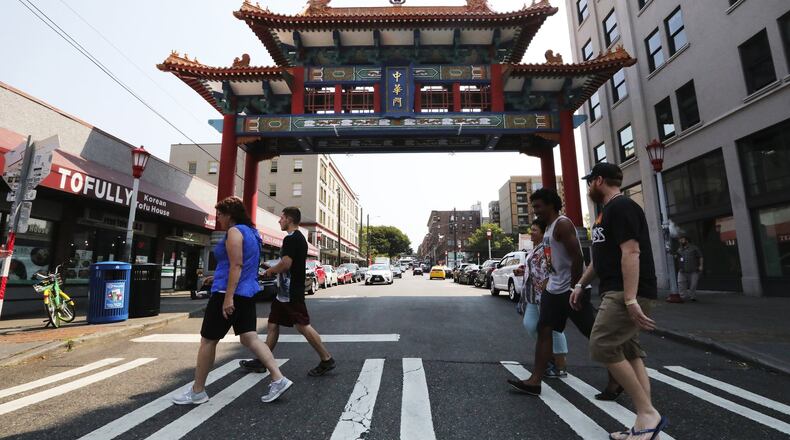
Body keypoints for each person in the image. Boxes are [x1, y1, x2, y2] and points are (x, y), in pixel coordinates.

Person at [575, 163, 667, 440]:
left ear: (599, 180)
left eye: (590, 181)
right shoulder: (606, 214)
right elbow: (599, 259)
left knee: (601, 344)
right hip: (616, 290)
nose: (588, 187)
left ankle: (648, 414)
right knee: (628, 351)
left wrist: (629, 299)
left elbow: (632, 252)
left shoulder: (622, 207)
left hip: (624, 292)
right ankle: (644, 422)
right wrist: (580, 284)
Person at [173, 196, 292, 405]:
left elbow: (236, 265)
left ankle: (197, 391)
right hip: (246, 293)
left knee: (208, 340)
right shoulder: (253, 234)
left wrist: (227, 297)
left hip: (228, 294)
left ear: (229, 214)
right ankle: (278, 378)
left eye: (220, 214)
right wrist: (216, 276)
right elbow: (243, 265)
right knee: (250, 338)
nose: (218, 217)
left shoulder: (235, 232)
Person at [507, 188, 619, 398]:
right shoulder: (548, 227)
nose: (535, 211)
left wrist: (574, 288)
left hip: (571, 290)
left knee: (594, 334)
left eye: (538, 206)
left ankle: (616, 380)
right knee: (544, 330)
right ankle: (534, 381)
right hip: (554, 289)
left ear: (551, 204)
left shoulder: (562, 224)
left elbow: (577, 257)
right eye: (533, 207)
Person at [240, 207, 335, 376]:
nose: (279, 221)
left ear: (289, 220)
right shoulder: (299, 239)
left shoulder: (291, 239)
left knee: (303, 326)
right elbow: (286, 265)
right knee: (273, 324)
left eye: (282, 218)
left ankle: (326, 359)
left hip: (291, 292)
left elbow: (286, 264)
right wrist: (271, 268)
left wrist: (271, 271)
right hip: (283, 294)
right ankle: (263, 360)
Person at [517, 218, 569, 378]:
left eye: (534, 230)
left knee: (553, 329)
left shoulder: (548, 248)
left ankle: (560, 365)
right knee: (530, 324)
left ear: (543, 232)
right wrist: (523, 270)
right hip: (532, 295)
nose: (531, 232)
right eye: (531, 229)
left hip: (545, 294)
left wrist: (548, 290)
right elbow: (535, 268)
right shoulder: (535, 249)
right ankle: (550, 356)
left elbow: (551, 270)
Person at [675, 235, 703, 302]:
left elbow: (700, 257)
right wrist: (676, 257)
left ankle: (692, 296)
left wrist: (701, 265)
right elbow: (678, 258)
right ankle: (683, 297)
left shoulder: (694, 248)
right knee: (680, 283)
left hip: (693, 270)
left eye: (682, 239)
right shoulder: (679, 249)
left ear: (687, 240)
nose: (680, 241)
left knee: (693, 284)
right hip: (682, 270)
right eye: (680, 239)